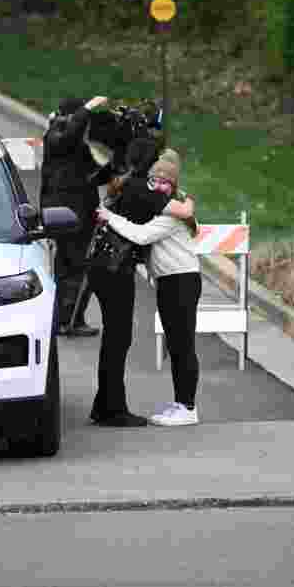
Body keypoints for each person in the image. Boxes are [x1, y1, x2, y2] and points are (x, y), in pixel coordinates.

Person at [85, 142, 195, 427]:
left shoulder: (129, 185)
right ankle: (112, 407)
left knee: (120, 339)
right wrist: (188, 203)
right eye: (155, 177)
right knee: (118, 339)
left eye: (164, 181)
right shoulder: (141, 189)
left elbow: (148, 232)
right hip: (115, 270)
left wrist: (110, 216)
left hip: (109, 268)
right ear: (148, 167)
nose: (158, 184)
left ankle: (107, 404)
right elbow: (171, 217)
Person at [39, 96, 110, 337]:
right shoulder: (57, 137)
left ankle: (67, 317)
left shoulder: (74, 145)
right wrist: (86, 110)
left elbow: (92, 174)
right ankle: (68, 319)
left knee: (70, 266)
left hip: (77, 212)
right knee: (76, 265)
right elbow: (69, 135)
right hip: (68, 214)